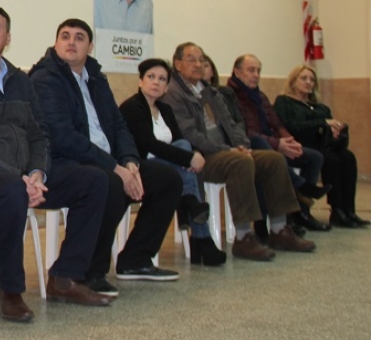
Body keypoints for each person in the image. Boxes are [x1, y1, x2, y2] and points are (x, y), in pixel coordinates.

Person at [0, 4, 113, 318]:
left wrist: (38, 173)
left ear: (7, 38)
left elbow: (39, 133)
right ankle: (11, 290)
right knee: (11, 189)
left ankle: (66, 277)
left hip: (20, 178)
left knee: (94, 180)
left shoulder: (20, 81)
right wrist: (18, 177)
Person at [29, 19, 181, 296]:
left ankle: (135, 259)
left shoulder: (96, 78)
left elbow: (118, 125)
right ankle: (88, 271)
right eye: (65, 36)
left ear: (90, 46)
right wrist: (115, 167)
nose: (71, 42)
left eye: (79, 37)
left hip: (107, 161)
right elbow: (62, 137)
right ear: (56, 43)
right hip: (64, 163)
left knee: (166, 178)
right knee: (107, 181)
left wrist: (130, 162)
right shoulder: (45, 79)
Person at [159, 43, 316, 261]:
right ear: (177, 64)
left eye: (201, 59)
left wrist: (242, 145)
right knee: (239, 162)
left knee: (273, 159)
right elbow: (189, 134)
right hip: (203, 157)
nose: (198, 64)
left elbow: (233, 124)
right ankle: (244, 237)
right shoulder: (173, 93)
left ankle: (280, 230)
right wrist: (230, 150)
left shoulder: (209, 90)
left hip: (229, 150)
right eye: (191, 59)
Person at [119, 59, 226, 266]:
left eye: (162, 79)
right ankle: (201, 238)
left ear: (167, 86)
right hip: (142, 166)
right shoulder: (131, 107)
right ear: (140, 81)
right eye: (151, 77)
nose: (156, 83)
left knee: (184, 146)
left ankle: (191, 210)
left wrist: (192, 154)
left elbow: (179, 140)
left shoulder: (165, 109)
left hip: (170, 166)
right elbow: (149, 144)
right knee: (185, 160)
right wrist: (187, 158)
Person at [223, 54, 330, 233]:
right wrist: (277, 144)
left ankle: (300, 214)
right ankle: (301, 188)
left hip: (272, 143)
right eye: (251, 70)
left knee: (314, 157)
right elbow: (243, 132)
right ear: (237, 72)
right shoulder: (230, 95)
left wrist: (289, 141)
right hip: (251, 144)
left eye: (258, 71)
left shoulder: (260, 96)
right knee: (268, 152)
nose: (256, 75)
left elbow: (276, 123)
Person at [275, 65, 368, 228]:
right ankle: (336, 209)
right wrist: (322, 123)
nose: (308, 82)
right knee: (330, 159)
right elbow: (293, 126)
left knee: (348, 156)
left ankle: (348, 210)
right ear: (293, 81)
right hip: (300, 145)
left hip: (323, 145)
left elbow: (327, 128)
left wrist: (336, 130)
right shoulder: (284, 102)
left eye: (312, 80)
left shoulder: (321, 107)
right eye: (304, 78)